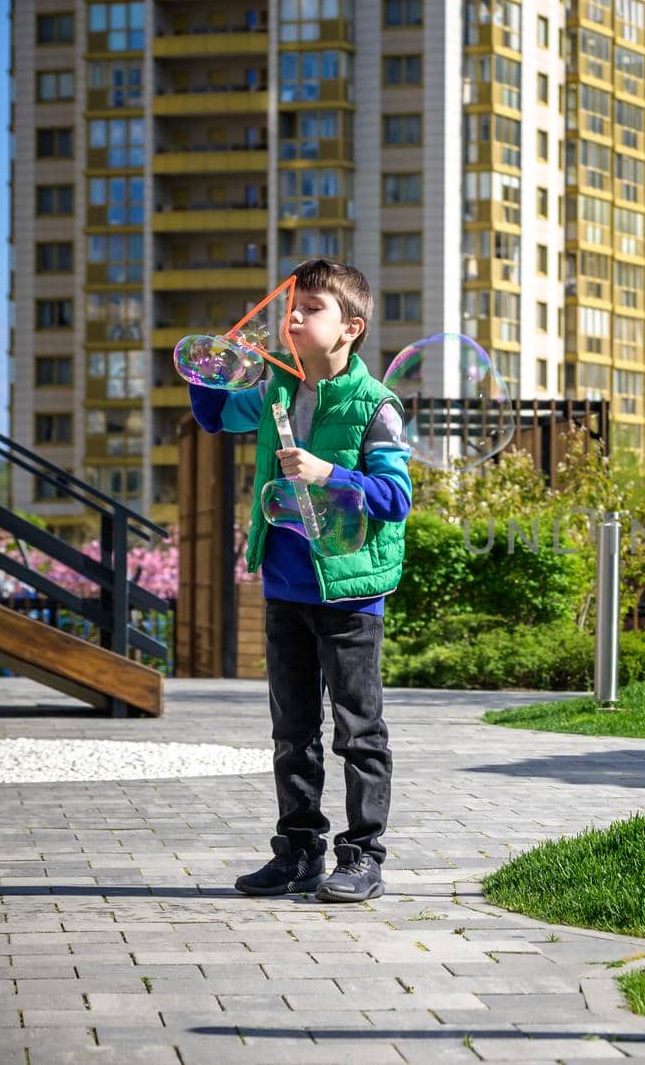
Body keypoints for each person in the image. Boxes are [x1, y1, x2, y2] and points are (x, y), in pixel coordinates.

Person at [189, 258, 411, 903]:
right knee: (291, 732)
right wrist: (210, 370)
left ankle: (363, 856)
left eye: (311, 308)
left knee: (357, 730)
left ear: (350, 327)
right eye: (292, 306)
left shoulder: (377, 406)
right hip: (285, 586)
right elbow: (215, 415)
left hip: (350, 593)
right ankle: (298, 853)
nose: (292, 316)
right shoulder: (275, 393)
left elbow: (395, 497)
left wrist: (326, 473)